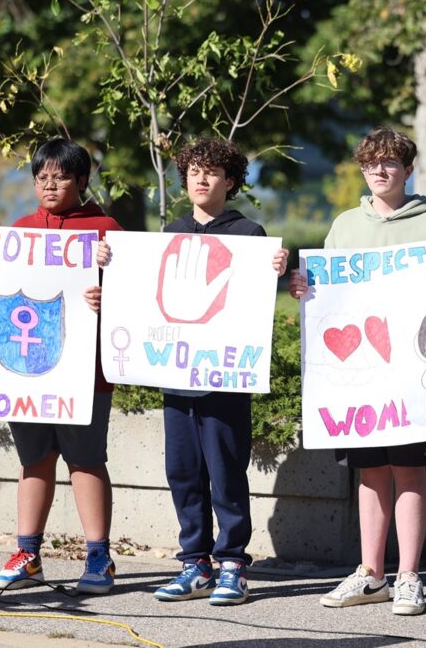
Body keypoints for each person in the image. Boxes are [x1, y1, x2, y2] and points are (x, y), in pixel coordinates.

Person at [290, 127, 426, 616]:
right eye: (371, 163)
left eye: (390, 163)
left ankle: (408, 576)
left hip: (414, 374)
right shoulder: (344, 226)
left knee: (409, 469)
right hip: (360, 373)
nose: (379, 171)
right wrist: (304, 285)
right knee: (369, 472)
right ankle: (370, 573)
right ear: (362, 169)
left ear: (407, 169)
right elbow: (328, 295)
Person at [0, 138, 123, 595]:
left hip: (85, 373)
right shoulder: (20, 229)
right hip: (24, 369)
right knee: (33, 460)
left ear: (81, 181)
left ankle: (99, 558)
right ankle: (27, 554)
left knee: (86, 461)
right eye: (41, 176)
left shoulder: (107, 230)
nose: (49, 184)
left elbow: (137, 299)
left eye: (61, 176)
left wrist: (112, 294)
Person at [143, 137, 287, 605]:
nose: (202, 179)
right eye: (194, 171)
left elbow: (258, 299)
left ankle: (232, 564)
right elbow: (143, 296)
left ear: (230, 182)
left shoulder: (249, 234)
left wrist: (279, 268)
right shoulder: (169, 233)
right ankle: (194, 564)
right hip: (176, 377)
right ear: (184, 180)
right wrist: (113, 264)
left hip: (224, 378)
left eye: (213, 172)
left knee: (225, 470)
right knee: (181, 470)